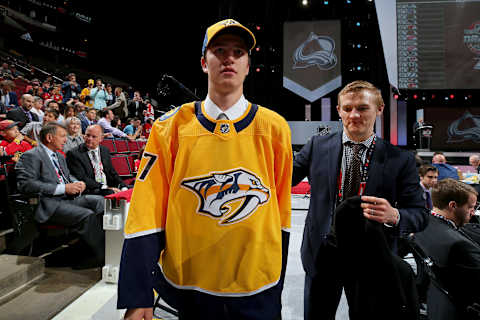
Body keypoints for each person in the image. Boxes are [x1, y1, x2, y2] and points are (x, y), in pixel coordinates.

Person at [118, 19, 292, 320]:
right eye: (219, 50)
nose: (229, 58)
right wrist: (139, 292)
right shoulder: (169, 127)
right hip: (185, 287)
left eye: (238, 52)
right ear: (203, 62)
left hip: (257, 287)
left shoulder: (275, 128)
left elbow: (281, 211)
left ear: (248, 65)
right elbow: (146, 210)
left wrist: (277, 278)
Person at [292, 80, 428, 319]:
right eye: (347, 108)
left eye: (363, 108)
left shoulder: (400, 159)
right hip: (323, 253)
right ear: (339, 111)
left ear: (379, 109)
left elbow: (419, 214)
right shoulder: (317, 146)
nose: (354, 115)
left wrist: (394, 215)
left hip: (373, 258)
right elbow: (280, 178)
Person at [15, 122, 105, 268]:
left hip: (67, 200)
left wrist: (78, 183)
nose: (66, 140)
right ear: (50, 137)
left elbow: (68, 177)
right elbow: (26, 185)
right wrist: (63, 189)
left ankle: (91, 247)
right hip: (48, 204)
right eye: (63, 136)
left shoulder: (59, 156)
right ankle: (100, 256)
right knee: (87, 215)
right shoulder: (30, 156)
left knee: (100, 202)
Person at [414, 178, 480, 320]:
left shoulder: (422, 224)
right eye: (470, 207)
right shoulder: (459, 246)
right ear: (453, 205)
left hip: (436, 302)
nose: (473, 212)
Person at [66, 124, 128, 196]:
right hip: (91, 189)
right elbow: (82, 178)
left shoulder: (105, 150)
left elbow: (112, 172)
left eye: (93, 137)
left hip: (108, 186)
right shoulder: (74, 153)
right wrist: (105, 187)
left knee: (131, 189)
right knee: (111, 193)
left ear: (101, 138)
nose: (89, 138)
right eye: (88, 135)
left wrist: (123, 186)